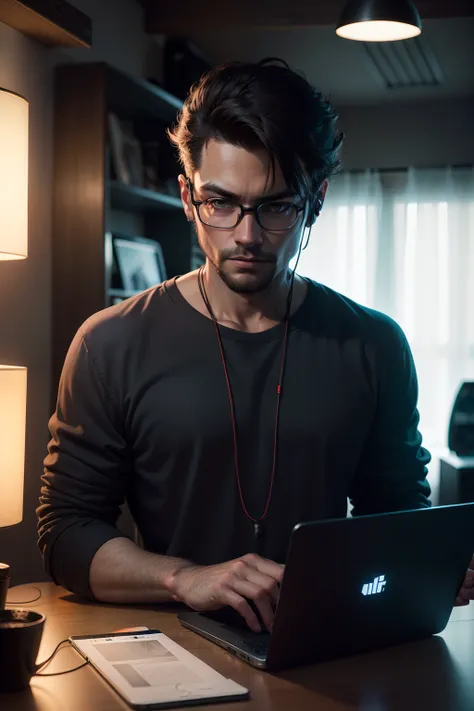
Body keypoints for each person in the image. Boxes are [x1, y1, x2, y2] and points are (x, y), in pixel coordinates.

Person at [37, 59, 473, 634]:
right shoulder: (109, 342)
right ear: (188, 197)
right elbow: (67, 531)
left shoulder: (374, 344)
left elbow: (394, 514)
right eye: (220, 203)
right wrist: (185, 578)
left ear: (314, 201)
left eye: (275, 206)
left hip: (326, 648)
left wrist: (430, 562)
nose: (245, 234)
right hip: (169, 654)